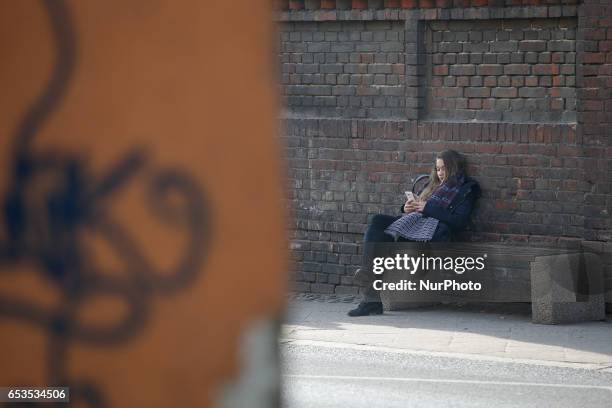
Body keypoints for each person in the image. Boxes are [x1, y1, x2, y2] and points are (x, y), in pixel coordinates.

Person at [348, 150, 481, 317]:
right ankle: (368, 277)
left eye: (444, 169)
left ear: (454, 168)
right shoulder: (432, 185)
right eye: (437, 169)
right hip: (413, 225)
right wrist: (407, 208)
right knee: (377, 221)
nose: (440, 173)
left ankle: (370, 298)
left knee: (383, 247)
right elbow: (417, 209)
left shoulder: (466, 189)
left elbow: (458, 222)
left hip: (431, 235)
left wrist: (427, 208)